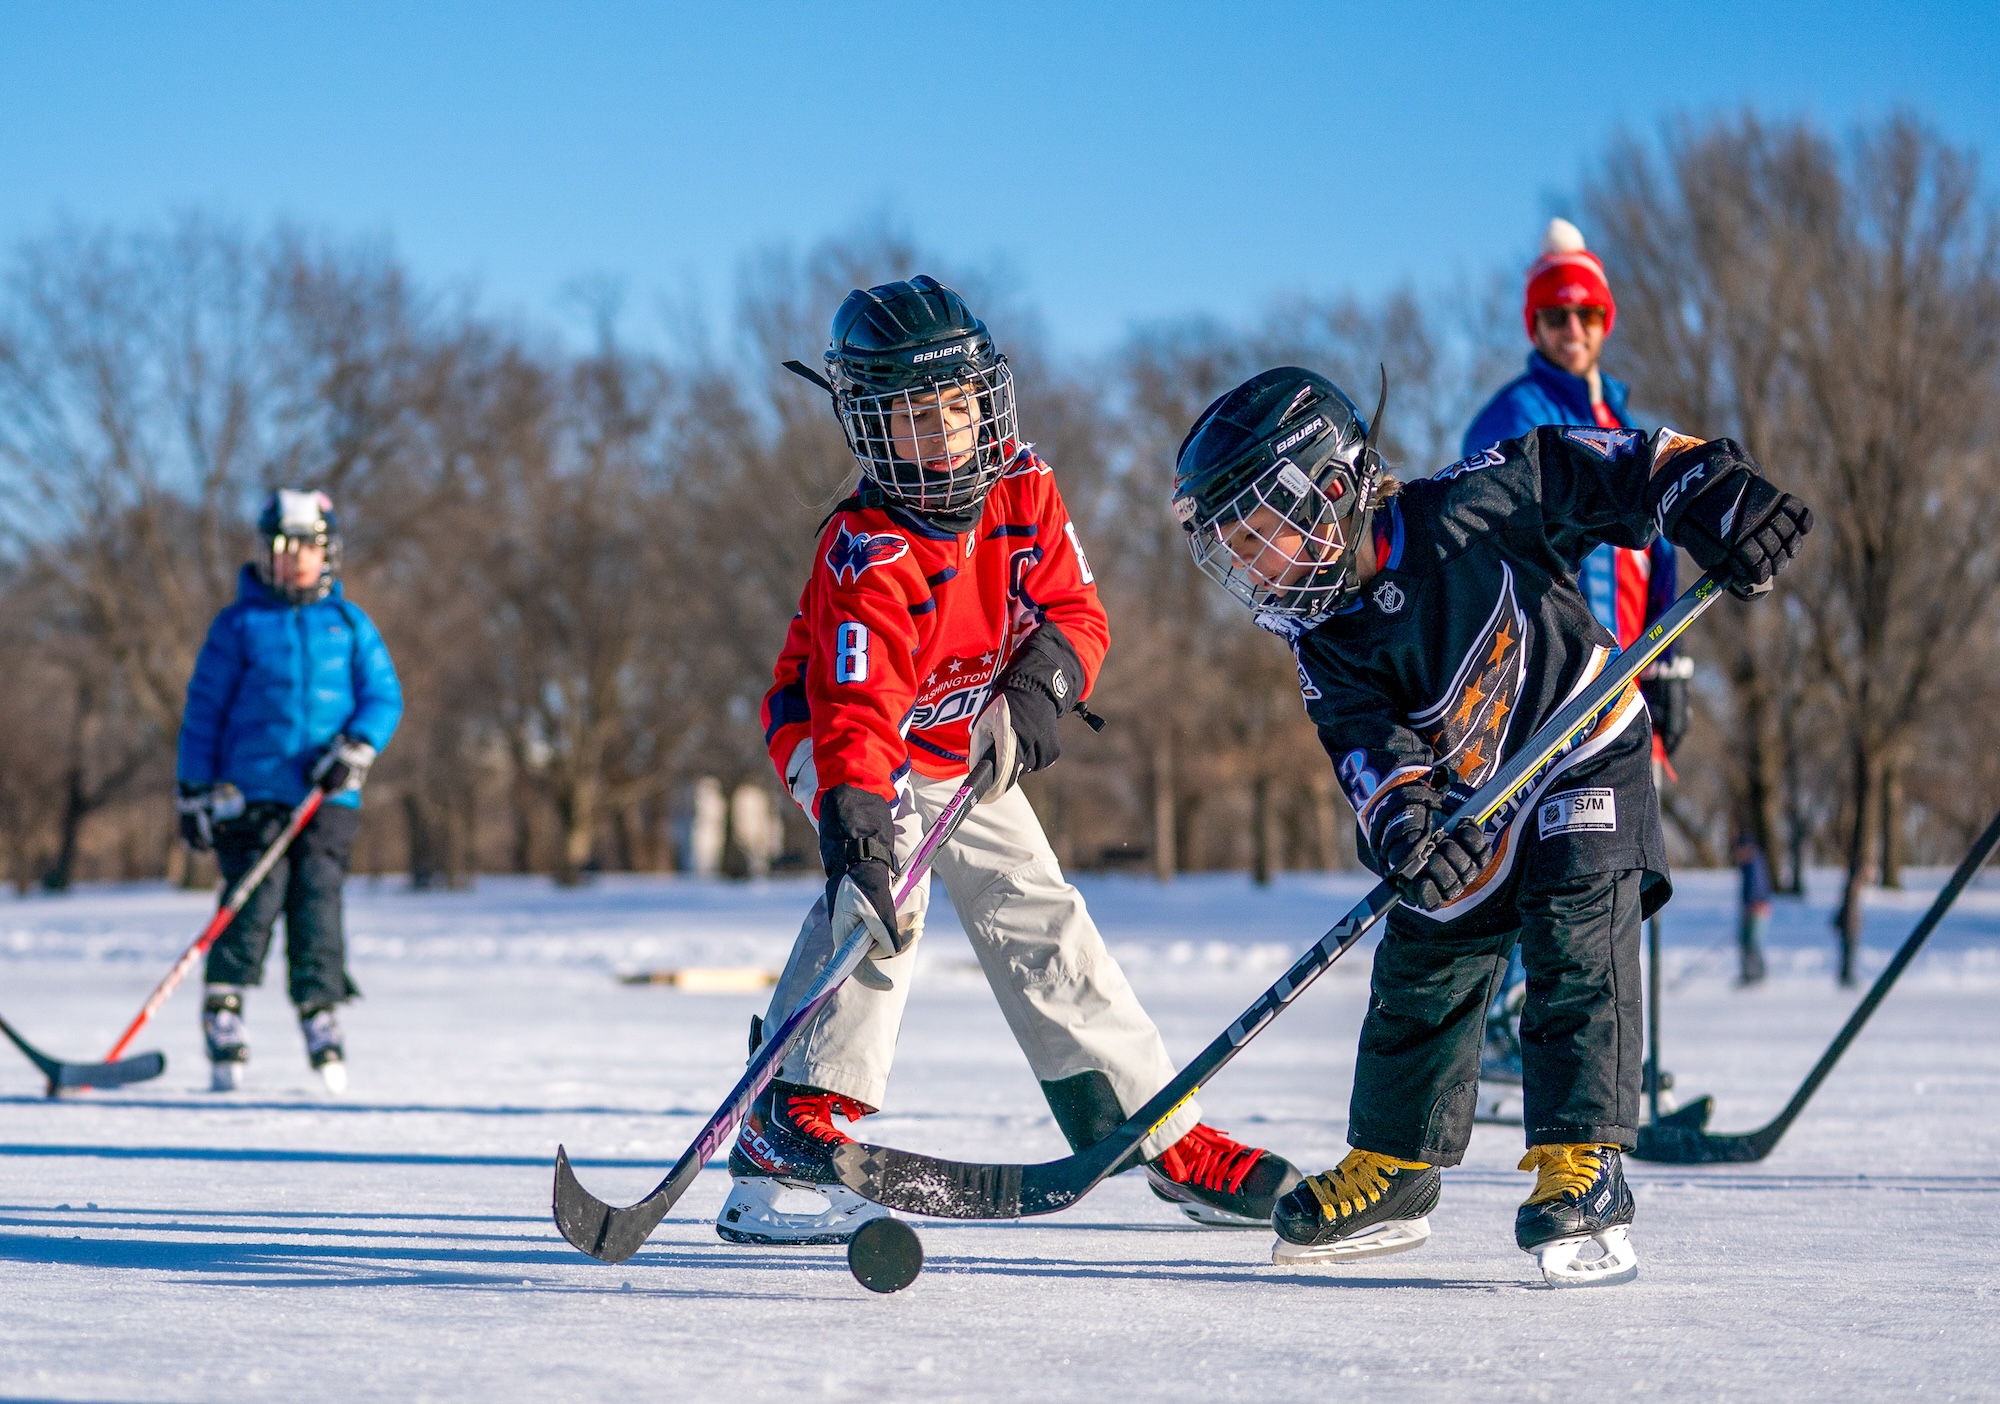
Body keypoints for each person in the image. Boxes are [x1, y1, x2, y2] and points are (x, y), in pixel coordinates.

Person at [1169, 366, 1809, 1284]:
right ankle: (1397, 1164)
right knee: (1424, 958)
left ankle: (1582, 1162)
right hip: (1478, 803)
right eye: (1233, 551)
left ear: (1332, 488)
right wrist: (1410, 832)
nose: (1250, 570)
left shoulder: (1469, 505)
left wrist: (1716, 493)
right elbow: (1369, 751)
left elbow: (1619, 466)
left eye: (1258, 536)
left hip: (1585, 746)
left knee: (1575, 935)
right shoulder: (1325, 642)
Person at [723, 275, 1299, 1245]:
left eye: (958, 405)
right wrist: (858, 836)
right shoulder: (869, 551)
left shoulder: (1022, 486)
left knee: (1040, 911)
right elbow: (858, 714)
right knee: (884, 900)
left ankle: (1156, 1130)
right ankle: (793, 1117)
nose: (946, 433)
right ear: (869, 426)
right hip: (843, 737)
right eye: (915, 415)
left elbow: (1076, 612)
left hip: (957, 739)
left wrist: (1037, 688)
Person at [1463, 218, 1691, 1093]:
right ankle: (1506, 1027)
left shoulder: (1620, 419)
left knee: (1617, 858)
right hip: (1547, 673)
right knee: (1554, 849)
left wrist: (1669, 665)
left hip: (1624, 671)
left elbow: (1657, 549)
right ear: (1536, 325)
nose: (1573, 329)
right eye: (1556, 316)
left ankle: (1609, 1056)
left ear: (1605, 320)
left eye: (1587, 313)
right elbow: (1484, 540)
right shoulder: (1515, 416)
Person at [176, 489, 403, 1093]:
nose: (294, 558)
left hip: (326, 798)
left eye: (307, 546)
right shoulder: (239, 625)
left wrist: (355, 748)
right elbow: (204, 712)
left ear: (328, 553)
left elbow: (384, 696)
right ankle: (224, 1005)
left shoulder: (348, 624)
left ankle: (320, 1010)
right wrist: (192, 788)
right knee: (253, 899)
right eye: (282, 546)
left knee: (317, 904)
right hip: (252, 796)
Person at [1734, 833, 1773, 986]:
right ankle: (1748, 975)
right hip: (1750, 908)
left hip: (1757, 908)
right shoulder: (1749, 864)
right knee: (1745, 941)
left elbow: (1758, 887)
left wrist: (1754, 904)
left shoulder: (1754, 863)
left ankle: (1759, 975)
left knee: (1754, 942)